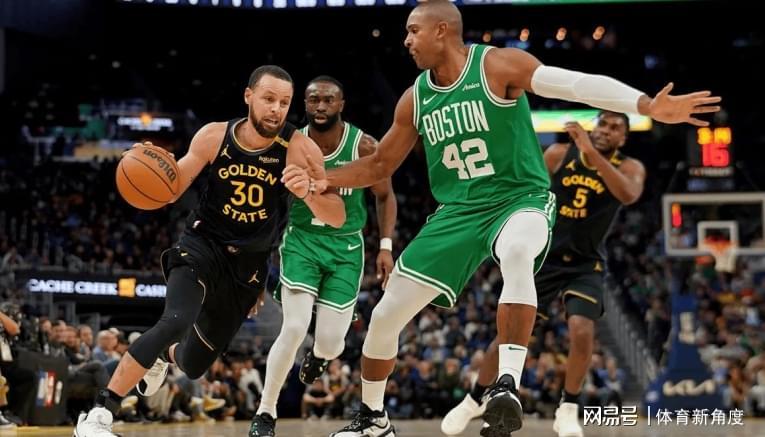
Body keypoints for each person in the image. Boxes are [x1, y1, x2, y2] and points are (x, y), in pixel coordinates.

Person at [307, 1, 720, 436]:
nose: (406, 40)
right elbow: (379, 166)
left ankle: (506, 384)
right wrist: (322, 178)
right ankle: (374, 420)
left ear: (442, 30)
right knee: (384, 316)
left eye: (413, 30)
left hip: (518, 198)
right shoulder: (415, 98)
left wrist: (645, 105)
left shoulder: (497, 65)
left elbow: (574, 84)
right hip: (458, 211)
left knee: (518, 251)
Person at [73, 65, 346, 437]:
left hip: (246, 269)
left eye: (284, 103)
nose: (276, 109)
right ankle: (99, 415)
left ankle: (162, 355)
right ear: (248, 96)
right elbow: (171, 189)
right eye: (268, 99)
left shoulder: (300, 147)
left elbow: (336, 216)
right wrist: (150, 162)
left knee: (194, 363)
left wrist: (309, 192)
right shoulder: (215, 136)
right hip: (202, 245)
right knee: (175, 321)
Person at [442, 111, 645, 436]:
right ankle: (474, 399)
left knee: (581, 330)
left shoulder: (630, 167)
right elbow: (528, 187)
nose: (607, 130)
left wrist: (591, 154)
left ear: (623, 138)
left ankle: (568, 409)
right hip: (544, 256)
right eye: (603, 123)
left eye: (615, 127)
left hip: (584, 262)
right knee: (507, 336)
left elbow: (628, 194)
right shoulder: (558, 154)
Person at [249, 75, 397, 437]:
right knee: (294, 327)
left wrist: (385, 246)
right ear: (305, 104)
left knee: (332, 343)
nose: (320, 106)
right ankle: (265, 412)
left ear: (341, 104)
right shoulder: (289, 144)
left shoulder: (363, 145)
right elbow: (269, 206)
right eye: (313, 99)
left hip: (346, 248)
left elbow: (384, 195)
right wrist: (256, 265)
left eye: (328, 100)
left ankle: (319, 355)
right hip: (303, 241)